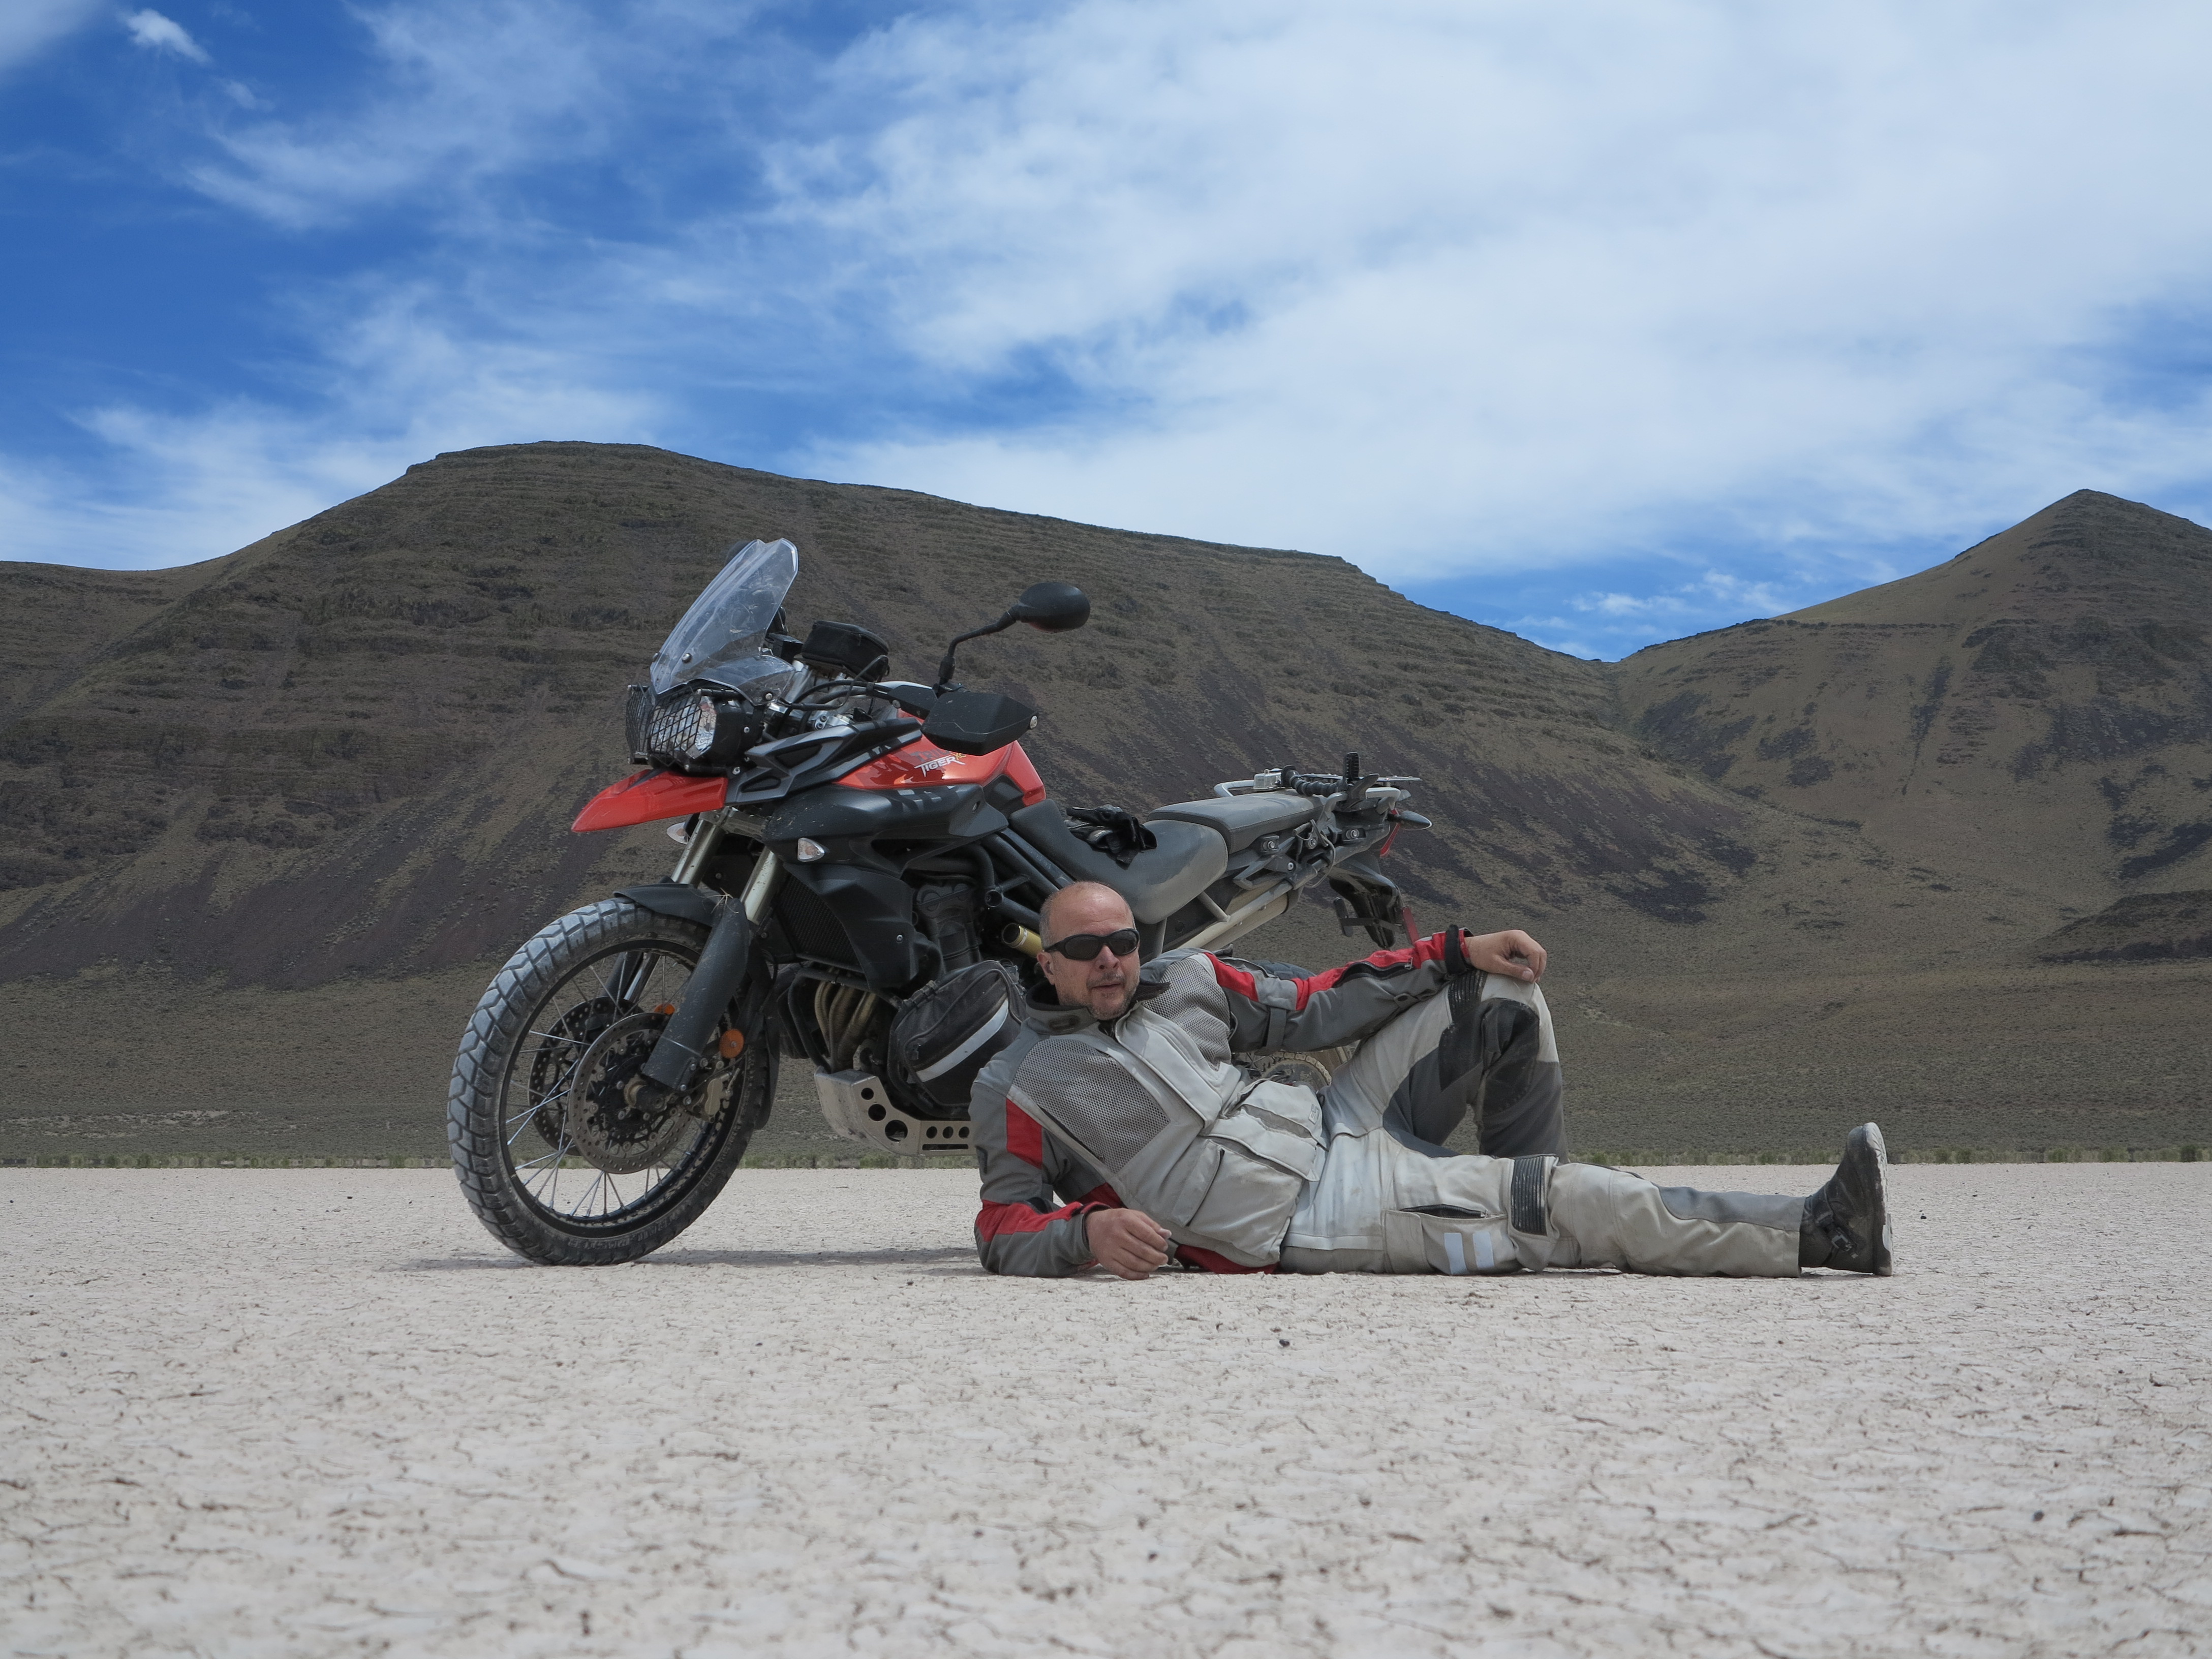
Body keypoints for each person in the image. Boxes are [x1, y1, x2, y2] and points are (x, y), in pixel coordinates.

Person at [968, 881, 1891, 1280]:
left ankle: (1540, 1212)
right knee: (1562, 1199)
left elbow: (1322, 1004)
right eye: (1084, 949)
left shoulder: (1190, 981)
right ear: (1047, 961)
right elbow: (1004, 1224)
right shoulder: (1019, 1084)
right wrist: (1086, 1232)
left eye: (1123, 940)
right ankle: (1824, 1233)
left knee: (1501, 994)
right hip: (1310, 1213)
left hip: (1336, 1117)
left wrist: (1455, 949)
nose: (1110, 960)